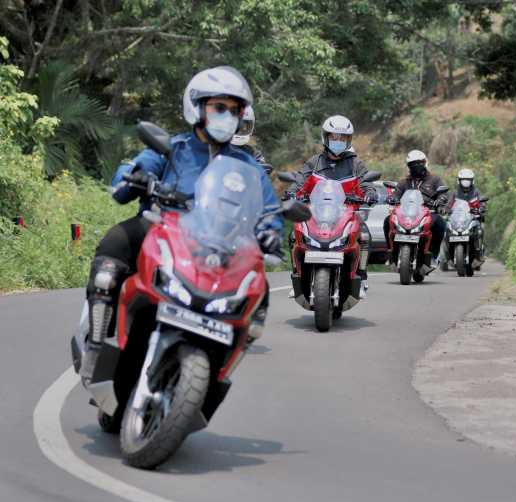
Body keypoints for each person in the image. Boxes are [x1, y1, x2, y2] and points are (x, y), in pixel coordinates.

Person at [78, 66, 283, 380]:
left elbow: (269, 212)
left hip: (219, 249)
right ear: (197, 107)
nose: (227, 116)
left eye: (234, 110)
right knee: (116, 243)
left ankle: (223, 366)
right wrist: (134, 179)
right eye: (219, 108)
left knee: (259, 287)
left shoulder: (249, 167)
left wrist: (270, 233)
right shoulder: (172, 148)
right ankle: (97, 341)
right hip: (162, 232)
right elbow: (128, 177)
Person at [289, 115, 375, 297]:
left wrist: (369, 193)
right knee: (293, 234)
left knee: (365, 235)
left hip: (347, 214)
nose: (338, 141)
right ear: (325, 137)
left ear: (348, 140)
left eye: (342, 138)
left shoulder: (356, 164)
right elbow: (299, 181)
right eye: (334, 137)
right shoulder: (314, 162)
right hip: (316, 213)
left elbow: (366, 183)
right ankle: (296, 275)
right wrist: (292, 192)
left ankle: (361, 276)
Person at [383, 150, 448, 269]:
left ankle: (433, 256)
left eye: (419, 163)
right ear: (409, 166)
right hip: (406, 214)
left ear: (425, 163)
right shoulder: (404, 182)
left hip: (428, 213)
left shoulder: (435, 179)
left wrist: (440, 201)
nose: (417, 166)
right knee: (387, 221)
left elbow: (443, 193)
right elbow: (396, 193)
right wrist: (392, 198)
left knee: (440, 224)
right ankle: (391, 254)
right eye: (413, 164)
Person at [232, 105, 273, 175]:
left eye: (243, 127)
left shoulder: (252, 152)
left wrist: (260, 166)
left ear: (251, 126)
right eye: (235, 126)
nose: (239, 130)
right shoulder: (214, 146)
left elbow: (261, 162)